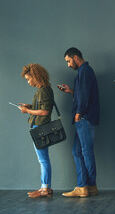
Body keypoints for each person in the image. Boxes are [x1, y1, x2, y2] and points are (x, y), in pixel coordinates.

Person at [59, 47, 100, 198]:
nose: (68, 65)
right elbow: (83, 93)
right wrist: (70, 91)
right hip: (85, 117)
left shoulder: (84, 71)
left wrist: (78, 114)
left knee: (85, 152)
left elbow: (83, 98)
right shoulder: (84, 71)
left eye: (68, 61)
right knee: (78, 151)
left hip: (84, 118)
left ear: (76, 57)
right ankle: (89, 186)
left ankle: (85, 186)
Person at [19, 63, 54, 198]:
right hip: (39, 128)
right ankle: (45, 187)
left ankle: (45, 188)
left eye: (29, 79)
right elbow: (42, 107)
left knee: (43, 160)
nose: (28, 82)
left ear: (35, 76)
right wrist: (31, 106)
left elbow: (45, 111)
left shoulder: (44, 90)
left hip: (40, 128)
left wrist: (27, 110)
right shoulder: (43, 90)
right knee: (43, 159)